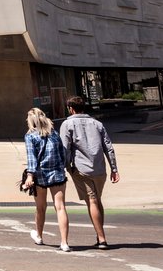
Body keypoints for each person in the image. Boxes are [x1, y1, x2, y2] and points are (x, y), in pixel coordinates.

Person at [60, 95, 120, 250]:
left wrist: (65, 167)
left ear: (71, 108)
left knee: (92, 201)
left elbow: (65, 149)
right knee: (97, 200)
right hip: (100, 169)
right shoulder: (97, 124)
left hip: (81, 169)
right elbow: (109, 147)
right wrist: (114, 168)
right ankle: (99, 234)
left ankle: (101, 238)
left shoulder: (67, 124)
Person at [21, 107, 71, 251]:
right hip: (57, 173)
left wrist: (30, 175)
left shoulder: (30, 135)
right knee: (60, 207)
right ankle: (64, 242)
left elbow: (32, 157)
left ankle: (39, 236)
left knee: (41, 207)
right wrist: (63, 167)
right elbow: (63, 153)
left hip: (40, 174)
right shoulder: (54, 133)